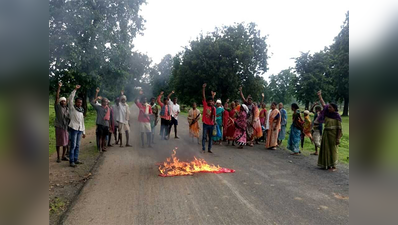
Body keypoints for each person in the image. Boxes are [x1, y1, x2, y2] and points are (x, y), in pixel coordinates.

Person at [317, 91, 342, 171]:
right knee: (325, 148)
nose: (328, 108)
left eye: (330, 107)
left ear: (334, 108)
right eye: (329, 107)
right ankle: (326, 164)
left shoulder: (337, 116)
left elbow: (339, 128)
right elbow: (323, 104)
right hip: (326, 133)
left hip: (333, 134)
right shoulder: (327, 113)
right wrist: (320, 96)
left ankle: (333, 166)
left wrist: (338, 138)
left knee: (332, 149)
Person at [68, 85, 86, 167]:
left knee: (78, 145)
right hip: (74, 128)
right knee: (73, 145)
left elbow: (82, 121)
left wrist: (84, 131)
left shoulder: (81, 110)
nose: (79, 103)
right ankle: (71, 161)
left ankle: (76, 159)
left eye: (81, 102)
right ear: (75, 102)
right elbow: (70, 99)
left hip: (80, 129)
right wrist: (75, 89)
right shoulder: (72, 108)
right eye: (78, 102)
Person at [91, 88, 111, 152]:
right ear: (102, 102)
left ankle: (103, 147)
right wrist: (96, 98)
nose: (105, 102)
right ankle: (99, 148)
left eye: (106, 101)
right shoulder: (98, 107)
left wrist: (110, 125)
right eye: (104, 101)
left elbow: (109, 118)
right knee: (100, 136)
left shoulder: (108, 109)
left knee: (104, 137)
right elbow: (92, 103)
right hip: (100, 124)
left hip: (106, 124)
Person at [54, 81, 69, 163]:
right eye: (62, 101)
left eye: (64, 101)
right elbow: (57, 97)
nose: (63, 102)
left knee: (65, 142)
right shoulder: (58, 107)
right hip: (59, 127)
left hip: (65, 127)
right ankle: (58, 157)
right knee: (59, 142)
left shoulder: (67, 109)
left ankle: (63, 156)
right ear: (60, 102)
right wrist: (59, 87)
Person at [201, 83, 216, 153]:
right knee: (204, 137)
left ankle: (209, 149)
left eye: (211, 101)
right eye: (209, 101)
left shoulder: (214, 108)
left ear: (213, 102)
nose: (210, 102)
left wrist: (214, 122)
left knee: (210, 137)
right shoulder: (205, 106)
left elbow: (214, 116)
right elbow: (203, 96)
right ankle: (203, 148)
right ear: (207, 102)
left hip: (211, 124)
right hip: (205, 124)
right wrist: (203, 88)